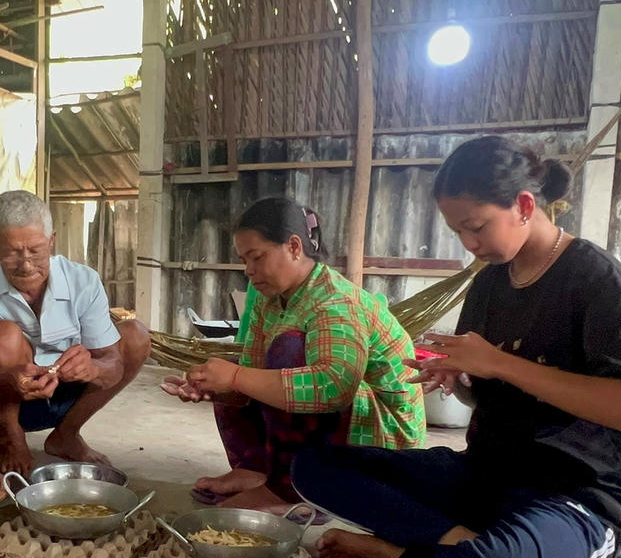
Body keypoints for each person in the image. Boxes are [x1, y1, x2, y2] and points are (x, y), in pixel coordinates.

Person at [292, 136, 621, 558]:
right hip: (483, 477)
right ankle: (454, 546)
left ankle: (403, 553)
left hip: (572, 497)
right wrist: (463, 378)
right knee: (314, 465)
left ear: (522, 205)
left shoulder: (593, 278)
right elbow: (488, 394)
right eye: (459, 232)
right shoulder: (491, 282)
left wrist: (501, 363)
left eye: (475, 227)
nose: (469, 244)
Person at [161, 197, 427, 511]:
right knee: (230, 370)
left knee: (287, 351)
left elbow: (335, 387)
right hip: (342, 421)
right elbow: (252, 375)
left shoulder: (334, 301)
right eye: (245, 260)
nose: (249, 270)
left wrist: (235, 377)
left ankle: (289, 492)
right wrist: (213, 386)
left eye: (257, 257)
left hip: (382, 440)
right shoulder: (267, 298)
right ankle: (255, 470)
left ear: (294, 246)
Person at [0, 190, 151, 475]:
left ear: (51, 241)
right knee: (0, 335)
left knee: (135, 335)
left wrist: (92, 368)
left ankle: (66, 434)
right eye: (12, 252)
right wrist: (5, 379)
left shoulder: (83, 281)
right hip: (0, 401)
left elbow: (113, 365)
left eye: (36, 250)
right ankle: (11, 438)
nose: (26, 265)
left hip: (69, 396)